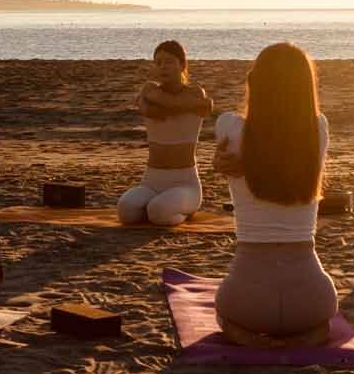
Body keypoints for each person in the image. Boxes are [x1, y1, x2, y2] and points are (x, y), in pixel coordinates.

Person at [211, 41, 339, 347]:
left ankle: (245, 336)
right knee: (323, 321)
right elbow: (283, 147)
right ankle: (309, 335)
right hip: (311, 301)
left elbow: (259, 141)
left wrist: (242, 163)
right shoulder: (318, 131)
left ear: (255, 82)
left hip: (248, 301)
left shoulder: (228, 127)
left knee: (223, 313)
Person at [117, 40, 214, 226]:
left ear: (182, 65)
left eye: (169, 62)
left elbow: (167, 105)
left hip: (185, 183)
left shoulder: (195, 92)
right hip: (152, 181)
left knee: (158, 212)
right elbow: (159, 109)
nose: (163, 67)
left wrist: (147, 103)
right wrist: (200, 106)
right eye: (158, 62)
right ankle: (166, 208)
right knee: (126, 211)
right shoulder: (149, 89)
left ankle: (184, 212)